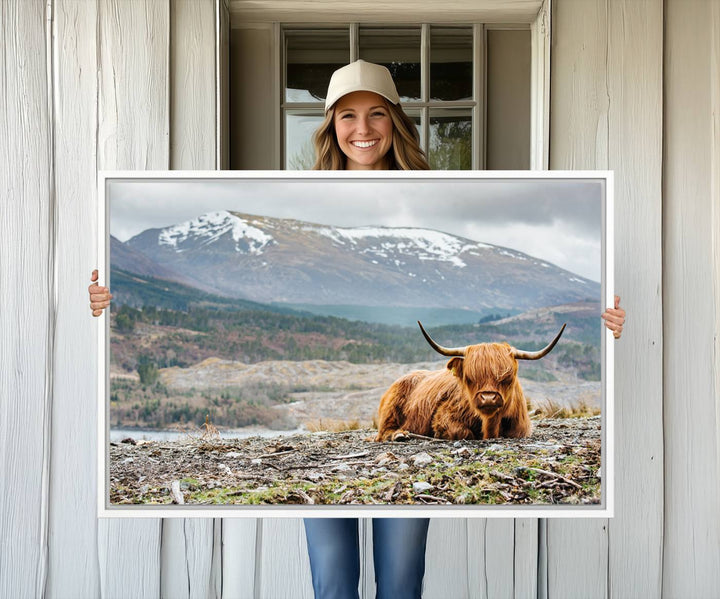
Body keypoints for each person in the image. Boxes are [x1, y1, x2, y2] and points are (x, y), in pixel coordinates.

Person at [88, 60, 626, 599]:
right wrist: (106, 303)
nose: (362, 130)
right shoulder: (292, 199)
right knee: (333, 582)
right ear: (329, 126)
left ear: (395, 122)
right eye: (347, 115)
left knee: (400, 581)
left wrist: (608, 324)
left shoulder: (441, 197)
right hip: (388, 426)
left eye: (376, 115)